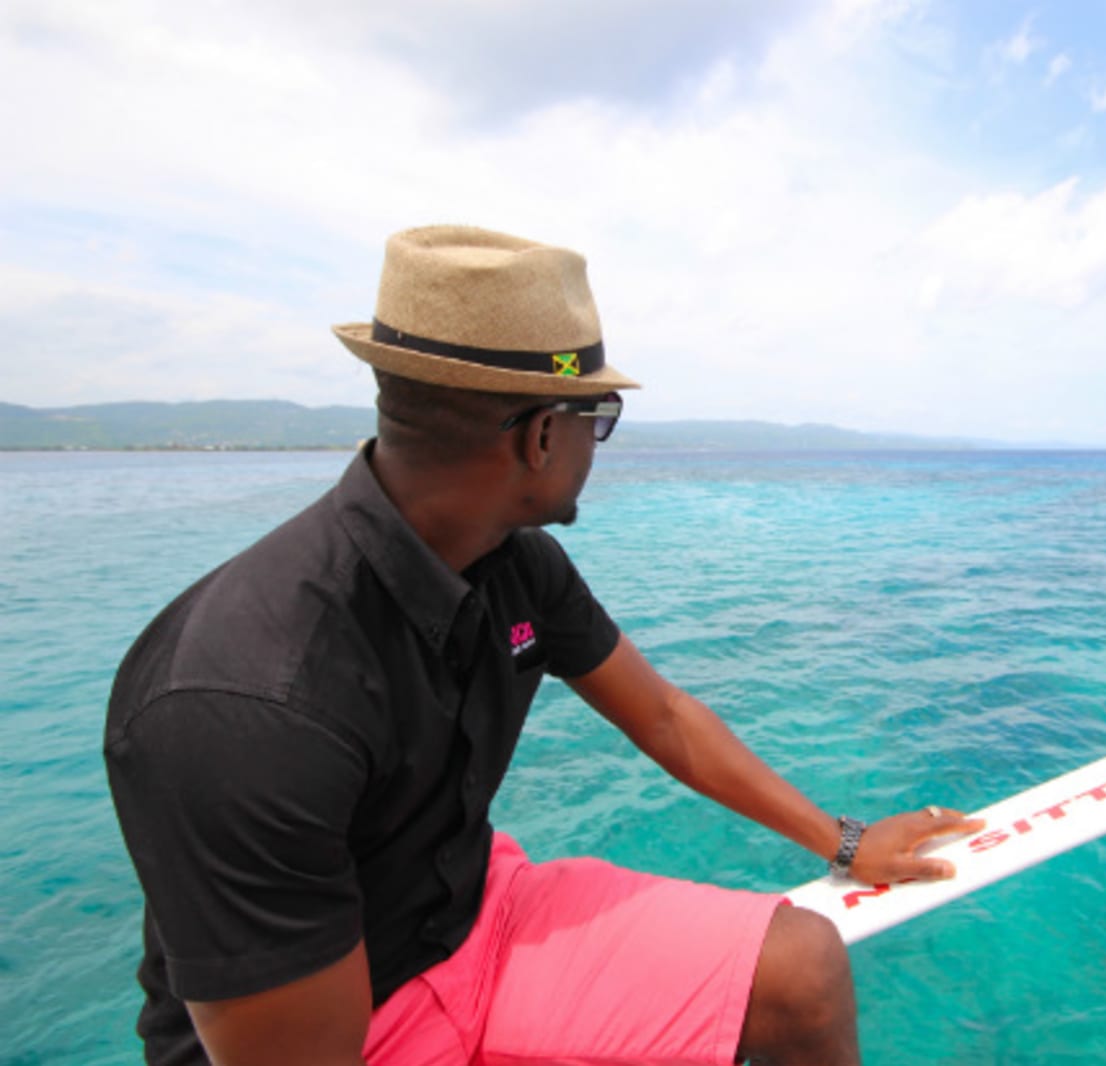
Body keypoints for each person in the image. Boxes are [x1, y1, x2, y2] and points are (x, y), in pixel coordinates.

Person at [105, 224, 980, 1066]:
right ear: (539, 437)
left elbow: (667, 717)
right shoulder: (246, 703)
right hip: (346, 1025)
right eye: (597, 414)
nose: (599, 442)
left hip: (472, 914)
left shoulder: (515, 568)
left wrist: (842, 840)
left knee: (804, 970)